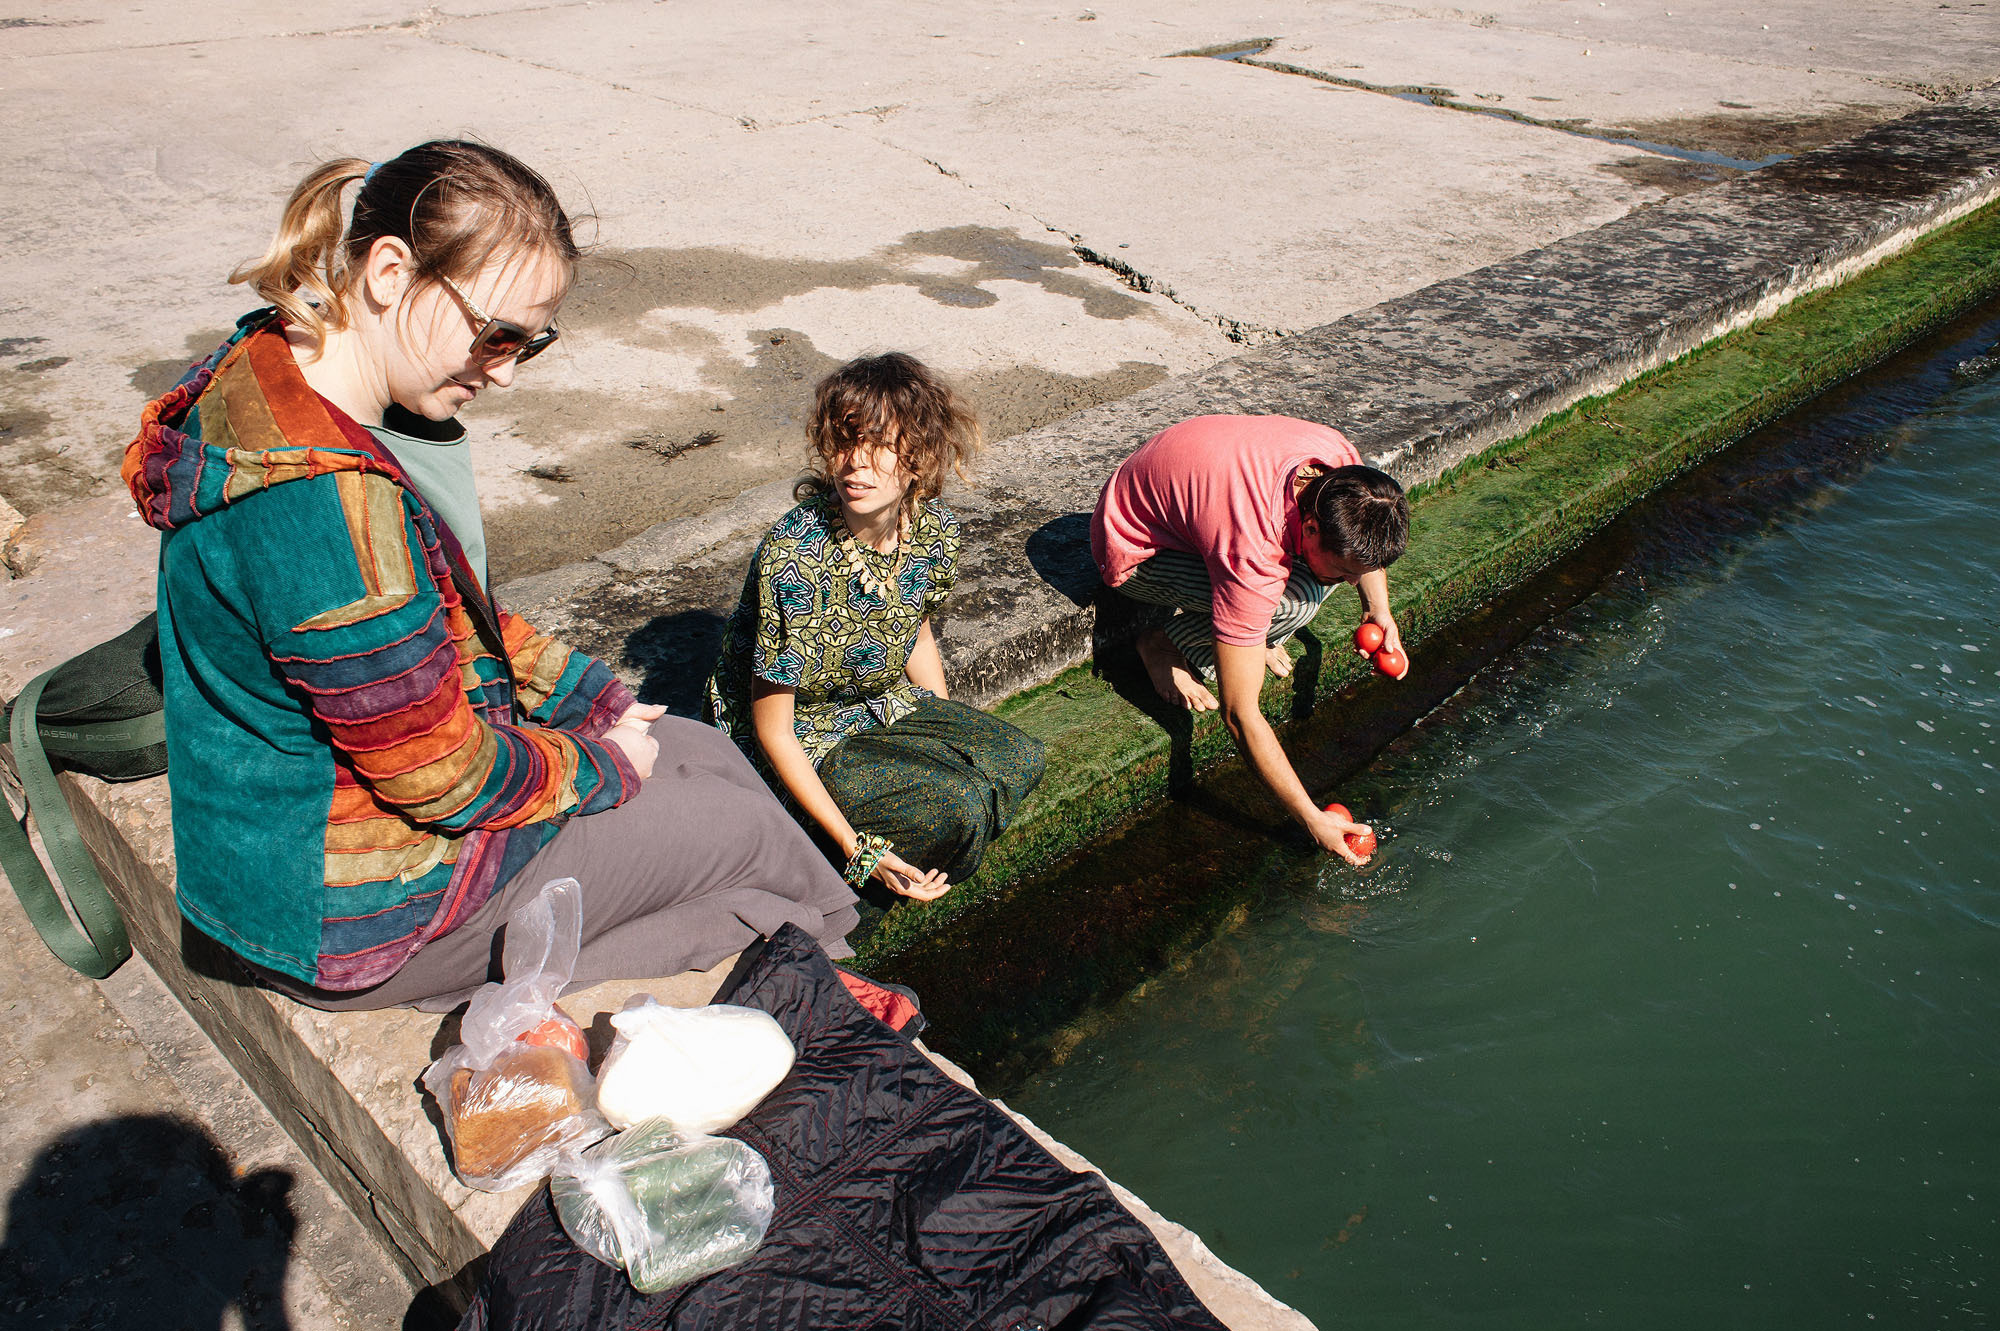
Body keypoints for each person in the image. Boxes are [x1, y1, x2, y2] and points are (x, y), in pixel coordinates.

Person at [122, 141, 857, 1011]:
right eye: (495, 333)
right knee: (741, 835)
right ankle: (844, 975)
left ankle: (785, 934)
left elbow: (448, 612)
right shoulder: (323, 504)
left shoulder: (277, 372)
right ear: (391, 272)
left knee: (701, 751)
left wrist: (597, 701)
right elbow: (444, 776)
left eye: (530, 343)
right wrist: (601, 766)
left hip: (278, 870)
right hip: (359, 915)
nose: (504, 370)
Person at [707, 354, 1045, 901]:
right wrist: (854, 845)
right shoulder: (797, 558)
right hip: (803, 735)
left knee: (1017, 758)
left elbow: (914, 627)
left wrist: (941, 725)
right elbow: (773, 730)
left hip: (880, 701)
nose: (854, 464)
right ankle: (835, 866)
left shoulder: (934, 532)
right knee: (952, 806)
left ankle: (915, 851)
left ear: (920, 456)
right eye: (843, 442)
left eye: (880, 444)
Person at [1091, 413, 1410, 865]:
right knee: (1297, 602)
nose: (1348, 581)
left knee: (1309, 587)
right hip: (1134, 548)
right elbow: (1240, 714)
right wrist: (1310, 817)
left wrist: (1378, 609)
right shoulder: (1252, 551)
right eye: (1346, 571)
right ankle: (1161, 641)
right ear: (1313, 527)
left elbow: (1363, 556)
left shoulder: (1342, 470)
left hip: (1188, 504)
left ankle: (1247, 627)